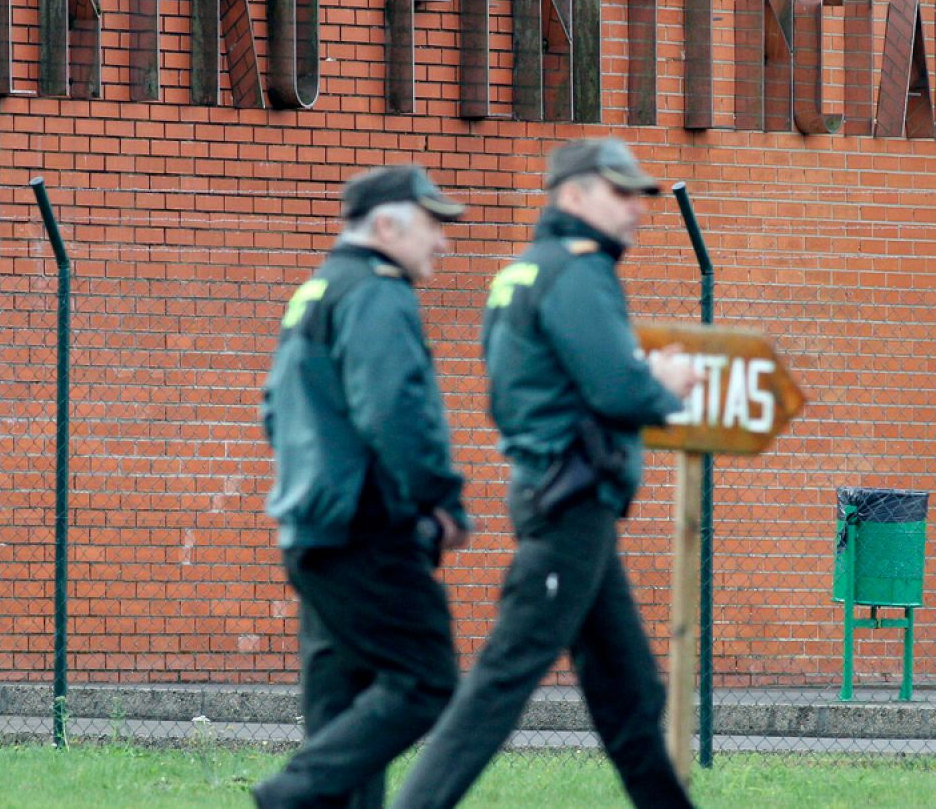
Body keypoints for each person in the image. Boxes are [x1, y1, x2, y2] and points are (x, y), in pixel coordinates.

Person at [392, 138, 701, 809]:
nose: (634, 209)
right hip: (572, 503)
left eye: (637, 195)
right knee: (501, 682)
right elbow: (617, 388)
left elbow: (522, 390)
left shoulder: (523, 272)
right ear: (572, 196)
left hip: (557, 496)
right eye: (618, 194)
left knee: (632, 691)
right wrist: (666, 381)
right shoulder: (580, 273)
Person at [253, 164, 473, 809]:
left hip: (315, 529)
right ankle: (291, 795)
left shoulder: (318, 291)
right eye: (431, 225)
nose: (442, 242)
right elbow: (395, 408)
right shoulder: (379, 292)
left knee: (343, 707)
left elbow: (275, 408)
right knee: (425, 680)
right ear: (385, 225)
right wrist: (440, 496)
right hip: (369, 531)